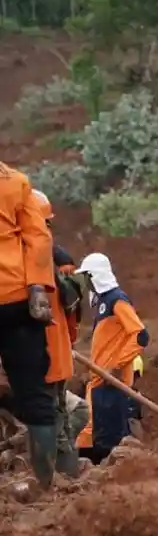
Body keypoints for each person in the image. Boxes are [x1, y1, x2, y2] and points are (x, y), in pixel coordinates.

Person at [0, 163, 56, 491]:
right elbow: (38, 236)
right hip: (17, 299)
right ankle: (45, 486)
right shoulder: (16, 182)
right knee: (35, 395)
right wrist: (37, 287)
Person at [74, 253, 148, 465]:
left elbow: (140, 335)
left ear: (95, 276)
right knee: (96, 438)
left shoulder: (117, 300)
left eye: (87, 277)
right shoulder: (103, 304)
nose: (86, 284)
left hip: (112, 383)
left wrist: (117, 366)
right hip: (100, 382)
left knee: (111, 441)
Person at [37, 189, 86, 478]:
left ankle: (60, 482)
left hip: (43, 361)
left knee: (54, 422)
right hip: (58, 357)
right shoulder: (56, 267)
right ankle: (68, 479)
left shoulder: (36, 271)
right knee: (61, 420)